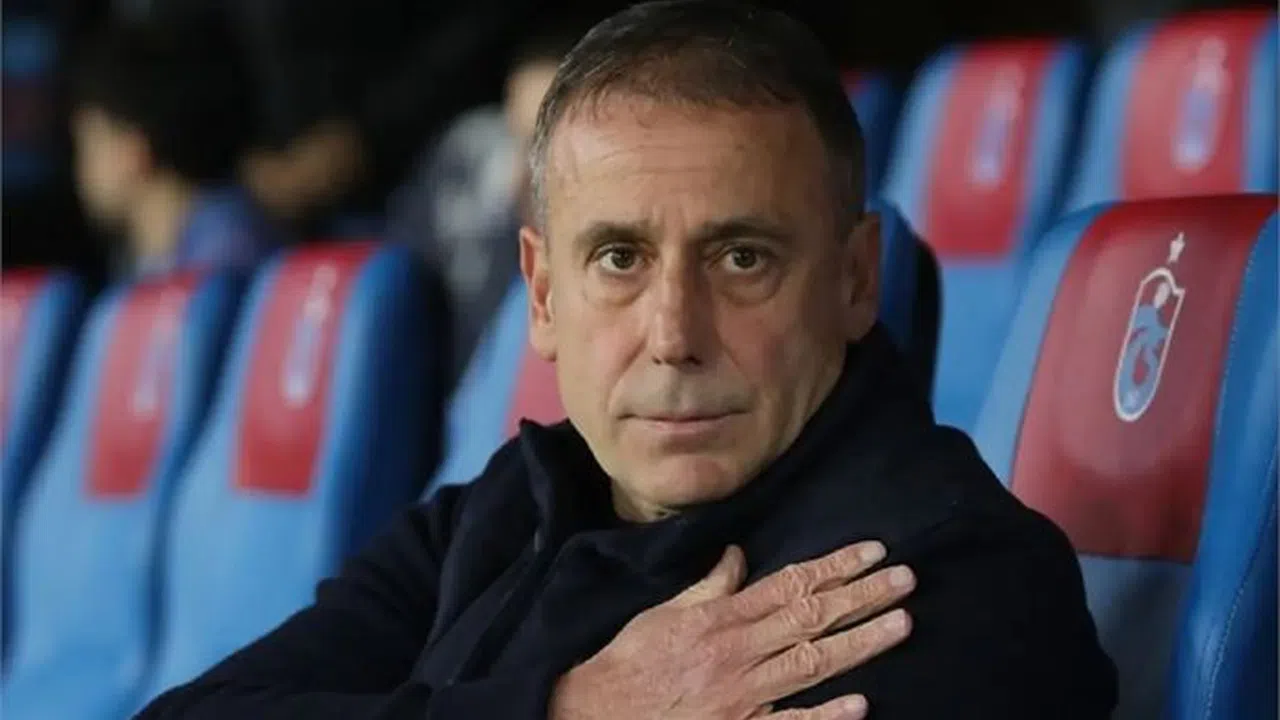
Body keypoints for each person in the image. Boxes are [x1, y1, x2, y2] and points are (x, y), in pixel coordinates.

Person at [137, 2, 1117, 718]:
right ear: (542, 295)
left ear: (855, 279)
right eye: (618, 258)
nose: (672, 333)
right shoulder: (497, 511)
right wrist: (562, 708)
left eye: (742, 258)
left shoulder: (943, 585)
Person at [70, 23, 283, 280]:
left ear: (134, 151)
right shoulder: (140, 257)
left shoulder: (227, 250)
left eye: (90, 144)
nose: (81, 167)